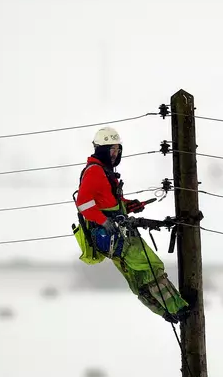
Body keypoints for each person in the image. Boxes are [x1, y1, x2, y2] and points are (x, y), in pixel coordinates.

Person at [72, 126, 190, 323]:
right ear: (101, 149)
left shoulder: (105, 172)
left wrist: (131, 205)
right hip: (113, 235)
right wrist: (103, 221)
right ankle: (179, 309)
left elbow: (109, 203)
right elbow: (83, 203)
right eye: (112, 149)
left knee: (137, 277)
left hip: (111, 236)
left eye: (118, 149)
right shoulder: (95, 172)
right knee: (151, 266)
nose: (115, 153)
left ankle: (165, 312)